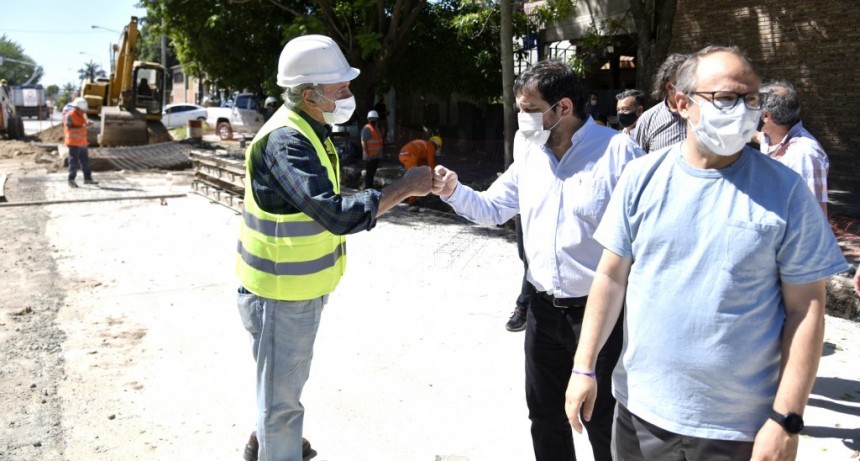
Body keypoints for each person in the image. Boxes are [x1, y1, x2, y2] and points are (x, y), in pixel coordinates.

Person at [565, 46, 847, 461]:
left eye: (752, 99)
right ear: (682, 102)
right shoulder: (641, 177)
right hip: (640, 413)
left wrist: (787, 418)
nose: (744, 110)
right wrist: (583, 367)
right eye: (727, 98)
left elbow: (806, 311)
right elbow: (610, 276)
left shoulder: (786, 192)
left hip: (737, 428)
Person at [432, 59, 643, 461]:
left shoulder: (619, 155)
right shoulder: (529, 153)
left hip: (602, 317)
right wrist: (453, 190)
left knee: (607, 423)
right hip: (543, 312)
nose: (521, 119)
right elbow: (493, 208)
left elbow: (646, 242)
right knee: (545, 419)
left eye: (529, 109)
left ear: (562, 108)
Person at [235, 34, 433, 461]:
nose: (348, 95)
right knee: (282, 402)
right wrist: (404, 187)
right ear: (309, 94)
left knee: (277, 386)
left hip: (288, 289)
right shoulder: (287, 141)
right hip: (281, 294)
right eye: (339, 89)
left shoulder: (312, 128)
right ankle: (276, 445)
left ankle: (264, 442)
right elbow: (334, 213)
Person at [755, 80, 830, 216]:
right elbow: (757, 136)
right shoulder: (771, 137)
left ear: (766, 116)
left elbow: (814, 213)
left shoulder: (804, 154)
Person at [632, 53, 689, 152]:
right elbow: (638, 160)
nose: (692, 87)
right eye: (686, 83)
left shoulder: (705, 114)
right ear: (669, 87)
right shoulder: (648, 120)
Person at [505, 214, 533, 332]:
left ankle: (523, 307)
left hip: (541, 212)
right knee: (523, 255)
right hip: (522, 211)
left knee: (531, 263)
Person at [398, 135, 441, 210]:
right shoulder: (431, 146)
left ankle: (405, 196)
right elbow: (431, 162)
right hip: (409, 155)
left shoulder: (425, 145)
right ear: (438, 145)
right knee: (415, 179)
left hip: (403, 154)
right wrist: (435, 175)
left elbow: (422, 163)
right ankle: (412, 203)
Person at [62, 97, 97, 188]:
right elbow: (69, 128)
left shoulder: (82, 114)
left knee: (85, 161)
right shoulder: (70, 115)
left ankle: (87, 178)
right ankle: (71, 180)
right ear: (77, 108)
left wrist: (89, 123)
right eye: (82, 110)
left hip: (82, 142)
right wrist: (83, 127)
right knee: (73, 161)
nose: (84, 112)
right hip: (73, 142)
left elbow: (85, 123)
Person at [360, 110, 384, 190]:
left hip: (376, 156)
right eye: (372, 118)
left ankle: (370, 188)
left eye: (375, 118)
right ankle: (368, 189)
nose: (373, 120)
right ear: (368, 119)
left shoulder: (376, 128)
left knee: (372, 174)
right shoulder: (367, 129)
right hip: (370, 157)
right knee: (369, 174)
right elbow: (364, 142)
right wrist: (367, 155)